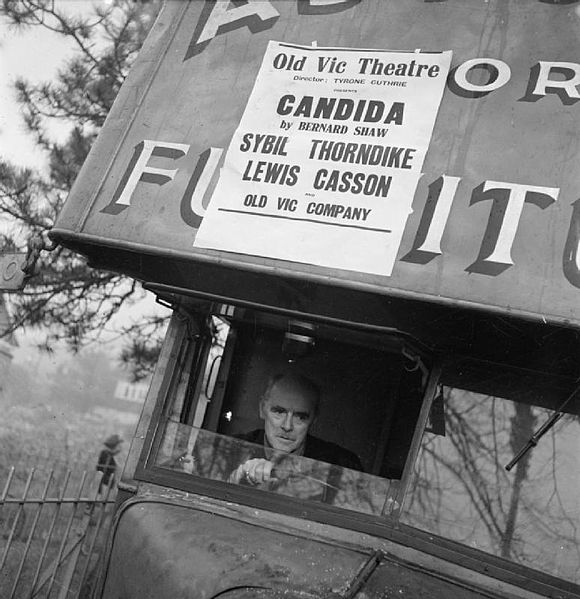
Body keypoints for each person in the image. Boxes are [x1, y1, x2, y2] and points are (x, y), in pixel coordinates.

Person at [228, 373, 362, 486]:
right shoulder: (229, 450)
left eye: (300, 417)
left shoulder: (342, 464)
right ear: (262, 409)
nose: (287, 426)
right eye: (279, 412)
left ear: (313, 419)